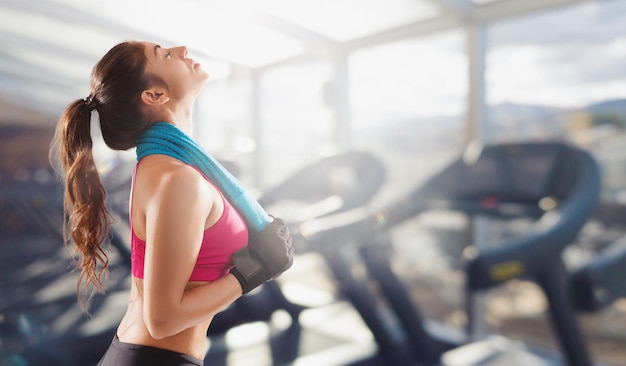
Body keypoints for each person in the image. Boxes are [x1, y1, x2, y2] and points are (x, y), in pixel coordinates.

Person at [51, 40, 293, 365]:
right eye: (164, 54)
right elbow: (162, 320)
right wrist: (253, 271)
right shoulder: (178, 179)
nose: (182, 49)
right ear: (154, 95)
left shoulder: (162, 166)